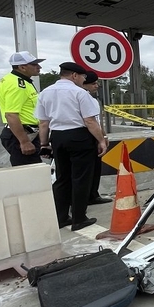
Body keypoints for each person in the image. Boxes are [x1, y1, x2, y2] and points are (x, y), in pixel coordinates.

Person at [36, 62, 107, 231]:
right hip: (79, 137)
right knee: (81, 178)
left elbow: (43, 122)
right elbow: (89, 121)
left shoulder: (45, 93)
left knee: (62, 177)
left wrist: (44, 144)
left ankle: (61, 217)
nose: (84, 80)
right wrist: (101, 140)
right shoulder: (80, 93)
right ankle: (79, 218)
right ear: (74, 75)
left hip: (58, 137)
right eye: (83, 77)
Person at [0, 51, 45, 166]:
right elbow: (11, 114)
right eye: (34, 64)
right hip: (21, 135)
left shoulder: (15, 80)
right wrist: (24, 142)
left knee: (31, 170)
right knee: (30, 173)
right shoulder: (17, 85)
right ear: (22, 67)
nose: (39, 67)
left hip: (27, 133)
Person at [82, 71, 112, 205]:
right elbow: (89, 121)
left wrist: (103, 136)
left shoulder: (94, 100)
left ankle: (93, 195)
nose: (97, 86)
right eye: (93, 83)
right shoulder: (80, 97)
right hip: (85, 135)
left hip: (96, 135)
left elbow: (98, 120)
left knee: (95, 167)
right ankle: (82, 199)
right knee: (85, 170)